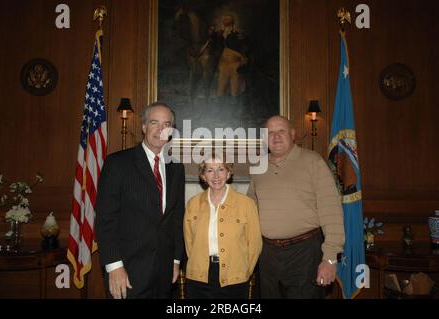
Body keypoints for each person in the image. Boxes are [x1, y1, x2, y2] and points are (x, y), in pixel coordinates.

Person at [247, 115, 345, 298]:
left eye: (281, 131)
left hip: (305, 253)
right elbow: (249, 210)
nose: (275, 136)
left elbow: (331, 211)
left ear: (293, 134)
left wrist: (330, 258)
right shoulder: (258, 167)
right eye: (270, 133)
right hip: (267, 256)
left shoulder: (313, 161)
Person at [95, 102, 185, 299]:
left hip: (164, 272)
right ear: (144, 127)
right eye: (154, 122)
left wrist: (176, 260)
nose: (160, 129)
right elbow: (105, 219)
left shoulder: (176, 168)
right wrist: (114, 266)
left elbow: (177, 219)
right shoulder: (117, 163)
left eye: (166, 124)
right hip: (127, 272)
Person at [184, 153, 262, 298]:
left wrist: (244, 271)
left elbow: (255, 244)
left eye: (221, 169)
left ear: (228, 173)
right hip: (199, 277)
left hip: (235, 276)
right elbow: (189, 243)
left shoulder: (246, 204)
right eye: (209, 170)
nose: (216, 176)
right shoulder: (193, 204)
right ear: (203, 176)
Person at [215, 14, 250, 100]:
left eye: (227, 19)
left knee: (235, 90)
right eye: (224, 19)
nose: (224, 20)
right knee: (221, 89)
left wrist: (244, 58)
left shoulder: (238, 33)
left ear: (232, 21)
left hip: (235, 64)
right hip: (223, 64)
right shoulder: (219, 33)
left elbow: (246, 47)